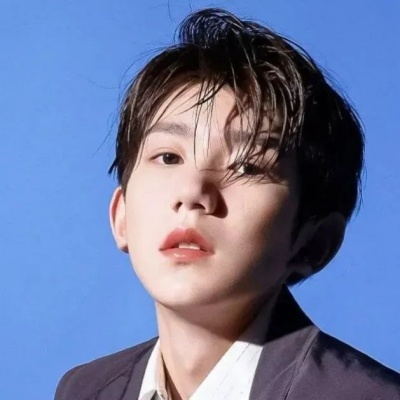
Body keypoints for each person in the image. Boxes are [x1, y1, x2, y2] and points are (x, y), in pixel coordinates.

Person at [55, 8, 400, 400]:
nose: (192, 192)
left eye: (248, 166)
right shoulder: (85, 389)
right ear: (121, 217)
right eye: (169, 157)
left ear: (315, 243)